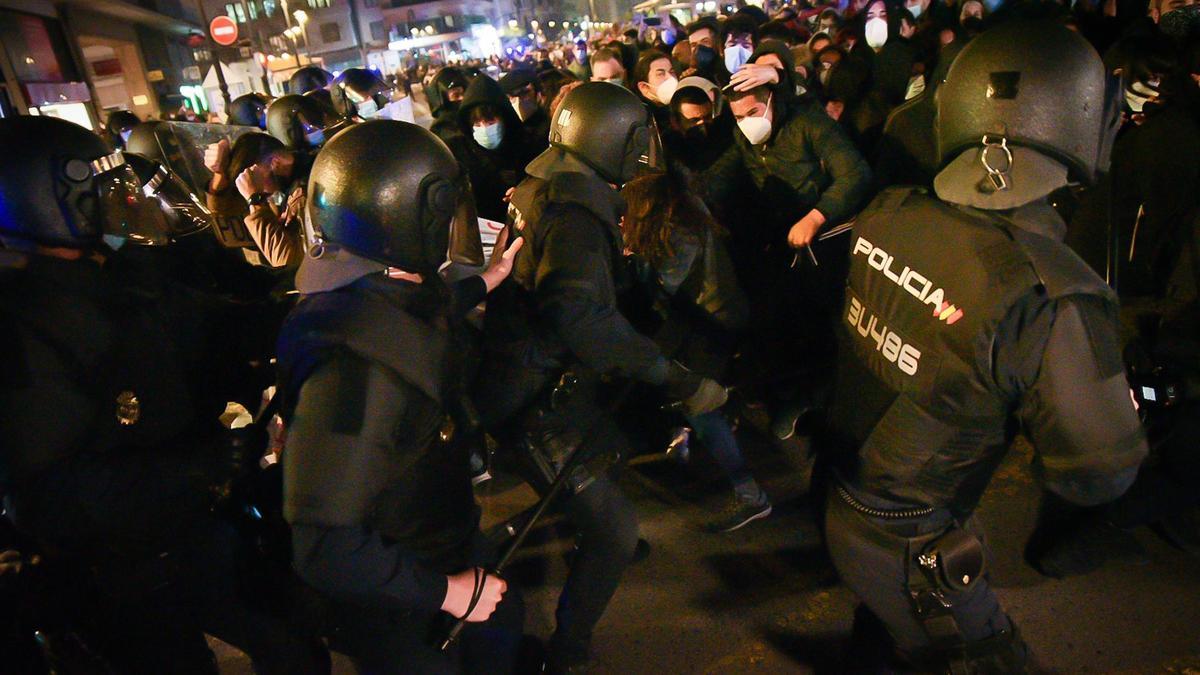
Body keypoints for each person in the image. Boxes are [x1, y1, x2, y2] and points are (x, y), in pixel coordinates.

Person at [821, 22, 1148, 673]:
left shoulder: (888, 211)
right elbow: (1097, 469)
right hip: (917, 542)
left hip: (845, 503)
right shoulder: (1048, 293)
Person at [0, 115, 327, 674]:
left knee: (293, 642)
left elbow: (215, 326)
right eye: (101, 192)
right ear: (44, 202)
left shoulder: (118, 274)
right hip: (118, 574)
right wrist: (189, 467)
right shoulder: (22, 330)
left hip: (195, 523)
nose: (119, 203)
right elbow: (46, 498)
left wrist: (321, 311)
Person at [474, 82, 729, 673]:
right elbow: (579, 314)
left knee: (603, 482)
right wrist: (678, 380)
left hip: (537, 383)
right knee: (614, 532)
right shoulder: (573, 210)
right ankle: (566, 649)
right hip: (540, 401)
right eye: (636, 138)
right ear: (609, 137)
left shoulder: (547, 182)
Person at [276, 120, 525, 673]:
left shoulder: (379, 296)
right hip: (404, 601)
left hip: (441, 546)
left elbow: (421, 315)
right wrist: (446, 593)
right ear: (408, 219)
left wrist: (486, 280)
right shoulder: (355, 372)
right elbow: (324, 547)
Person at [622, 169, 773, 532]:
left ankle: (751, 495)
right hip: (704, 319)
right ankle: (684, 436)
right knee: (682, 388)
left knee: (699, 403)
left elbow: (664, 287)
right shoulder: (684, 214)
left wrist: (632, 255)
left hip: (712, 324)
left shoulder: (680, 233)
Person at [452, 73, 543, 222]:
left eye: (490, 120)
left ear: (504, 118)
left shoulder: (529, 145)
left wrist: (526, 194)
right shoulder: (461, 154)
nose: (484, 128)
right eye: (477, 123)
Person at [500, 68, 552, 148]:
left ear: (538, 94)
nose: (518, 101)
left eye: (523, 93)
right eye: (511, 97)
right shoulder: (508, 135)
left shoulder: (551, 125)